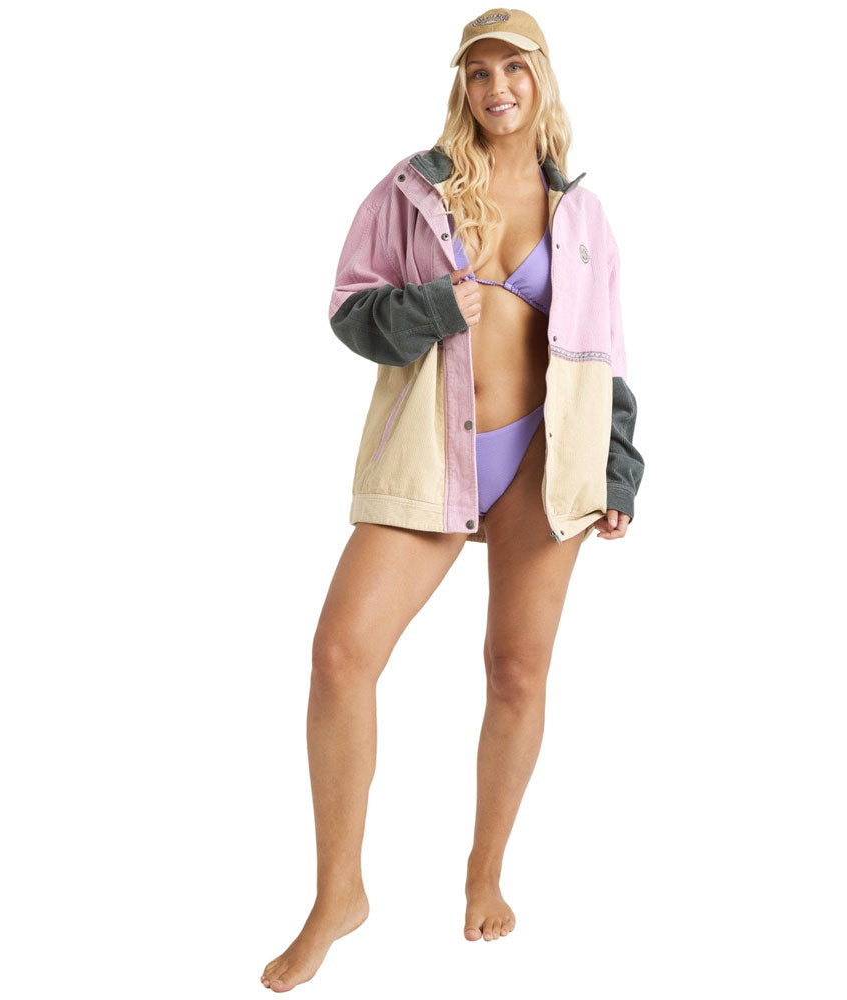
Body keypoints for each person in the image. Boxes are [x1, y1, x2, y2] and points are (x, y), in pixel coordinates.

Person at [261, 7, 644, 992]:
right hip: (434, 451)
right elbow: (348, 310)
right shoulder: (413, 189)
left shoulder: (584, 218)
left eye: (513, 69)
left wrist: (617, 469)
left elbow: (605, 352)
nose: (496, 88)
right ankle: (338, 893)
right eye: (478, 72)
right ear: (461, 87)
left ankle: (484, 874)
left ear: (541, 80)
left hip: (545, 461)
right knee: (340, 654)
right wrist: (435, 306)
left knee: (516, 671)